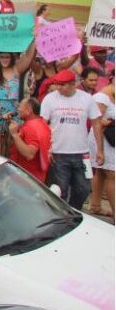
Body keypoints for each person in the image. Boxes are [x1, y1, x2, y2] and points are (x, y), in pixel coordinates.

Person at [41, 69, 104, 212]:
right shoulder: (50, 99)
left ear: (73, 84)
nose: (58, 88)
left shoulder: (87, 99)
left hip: (82, 153)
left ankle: (74, 211)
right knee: (60, 190)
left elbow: (96, 124)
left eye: (62, 85)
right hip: (58, 153)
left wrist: (100, 150)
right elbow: (43, 125)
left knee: (84, 189)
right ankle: (61, 215)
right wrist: (47, 149)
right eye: (57, 84)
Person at [5, 98, 52, 184]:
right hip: (35, 178)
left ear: (28, 110)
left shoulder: (31, 127)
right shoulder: (41, 123)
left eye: (20, 106)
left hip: (26, 181)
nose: (18, 109)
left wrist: (15, 134)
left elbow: (29, 154)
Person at [90, 82, 115, 216]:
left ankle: (95, 205)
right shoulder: (102, 97)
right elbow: (96, 122)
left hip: (111, 140)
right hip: (101, 138)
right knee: (112, 174)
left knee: (101, 173)